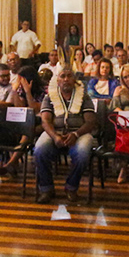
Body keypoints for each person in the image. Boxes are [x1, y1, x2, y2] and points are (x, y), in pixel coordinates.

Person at [33, 67, 96, 204]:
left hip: (79, 133)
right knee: (39, 150)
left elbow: (90, 122)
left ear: (74, 80)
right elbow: (45, 121)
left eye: (69, 76)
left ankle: (71, 187)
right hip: (55, 133)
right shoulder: (49, 96)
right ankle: (46, 188)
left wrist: (76, 133)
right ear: (58, 80)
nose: (66, 79)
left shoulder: (84, 96)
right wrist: (55, 136)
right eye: (62, 76)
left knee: (83, 152)